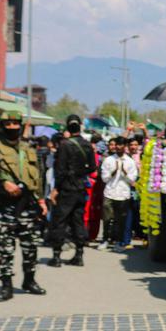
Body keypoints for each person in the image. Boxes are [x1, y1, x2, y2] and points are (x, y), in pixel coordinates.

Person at [0, 110, 48, 302]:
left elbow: (38, 176)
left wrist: (41, 200)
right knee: (4, 249)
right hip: (4, 206)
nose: (12, 127)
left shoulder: (28, 148)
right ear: (2, 126)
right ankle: (6, 285)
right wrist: (3, 182)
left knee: (31, 247)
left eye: (15, 124)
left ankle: (29, 281)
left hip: (27, 205)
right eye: (8, 124)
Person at [47, 114, 97, 266]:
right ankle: (79, 255)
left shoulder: (65, 145)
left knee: (59, 220)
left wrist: (55, 189)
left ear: (67, 127)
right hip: (81, 188)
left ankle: (56, 256)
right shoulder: (87, 145)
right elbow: (93, 168)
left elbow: (60, 170)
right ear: (80, 126)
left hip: (66, 188)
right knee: (78, 221)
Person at [99, 136, 138, 251]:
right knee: (106, 219)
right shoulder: (109, 160)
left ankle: (118, 242)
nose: (119, 147)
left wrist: (124, 173)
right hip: (110, 192)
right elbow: (104, 179)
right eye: (117, 145)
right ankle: (105, 239)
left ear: (125, 147)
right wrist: (114, 172)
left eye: (121, 145)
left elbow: (132, 181)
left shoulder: (130, 161)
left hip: (123, 194)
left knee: (120, 220)